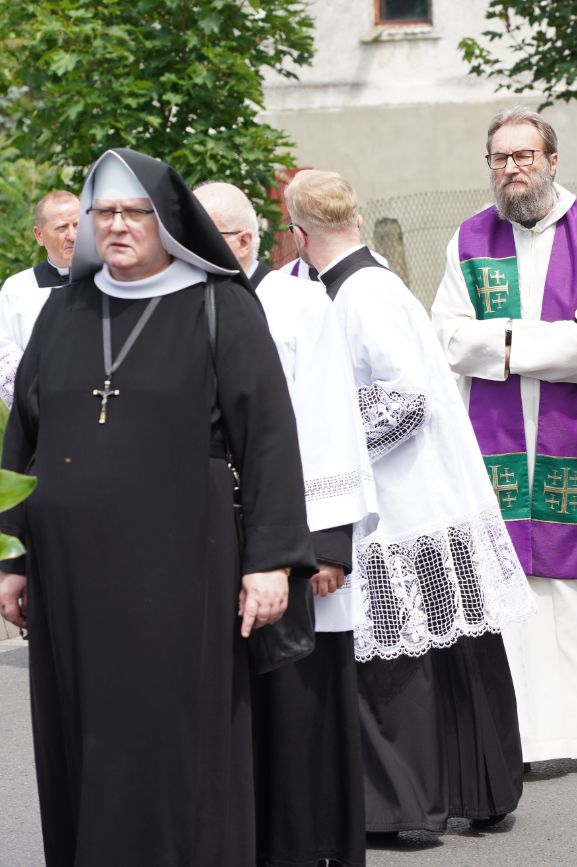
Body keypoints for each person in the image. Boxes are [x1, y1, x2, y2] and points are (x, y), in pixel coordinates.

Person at [0, 148, 316, 865]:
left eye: (131, 212)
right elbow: (25, 434)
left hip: (184, 563)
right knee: (85, 727)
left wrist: (271, 561)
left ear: (167, 219)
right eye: (101, 212)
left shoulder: (220, 304)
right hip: (72, 576)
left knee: (176, 730)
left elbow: (268, 435)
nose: (114, 226)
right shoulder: (64, 308)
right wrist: (10, 553)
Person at [284, 168, 537, 834]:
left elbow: (404, 400)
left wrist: (322, 440)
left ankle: (412, 807)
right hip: (411, 497)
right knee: (435, 650)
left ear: (298, 232)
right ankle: (469, 793)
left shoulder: (364, 293)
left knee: (407, 660)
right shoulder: (341, 288)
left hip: (403, 498)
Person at [433, 107, 577, 762]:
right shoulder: (469, 238)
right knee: (509, 577)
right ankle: (522, 722)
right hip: (496, 433)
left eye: (525, 156)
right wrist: (537, 345)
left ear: (552, 162)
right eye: (501, 158)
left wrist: (500, 344)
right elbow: (444, 334)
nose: (512, 169)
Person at [195, 181, 377, 867]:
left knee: (299, 705)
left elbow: (332, 417)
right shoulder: (187, 306)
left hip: (295, 536)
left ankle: (309, 845)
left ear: (244, 240)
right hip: (216, 533)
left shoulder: (299, 303)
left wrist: (328, 545)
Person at [0, 190, 79, 405]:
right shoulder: (16, 289)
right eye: (62, 228)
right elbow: (4, 354)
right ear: (39, 235)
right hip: (40, 412)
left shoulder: (111, 280)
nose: (72, 236)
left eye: (78, 225)